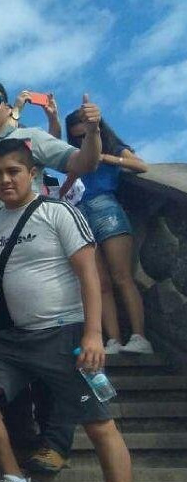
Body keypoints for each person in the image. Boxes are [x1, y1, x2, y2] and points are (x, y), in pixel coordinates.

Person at [0, 140, 141, 482]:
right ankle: (15, 481)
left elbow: (89, 274)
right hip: (17, 339)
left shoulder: (58, 211)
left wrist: (94, 334)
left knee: (99, 425)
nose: (5, 180)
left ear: (33, 173)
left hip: (67, 332)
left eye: (13, 171)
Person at [64, 111, 151, 354]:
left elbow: (141, 166)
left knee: (121, 276)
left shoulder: (114, 146)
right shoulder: (75, 156)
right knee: (99, 282)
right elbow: (67, 186)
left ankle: (139, 336)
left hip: (106, 207)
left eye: (81, 122)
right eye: (73, 125)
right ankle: (112, 340)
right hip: (81, 213)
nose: (78, 128)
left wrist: (108, 158)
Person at [0, 80, 103, 220]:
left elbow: (85, 163)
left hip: (37, 234)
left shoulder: (31, 137)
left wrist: (93, 131)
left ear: (8, 109)